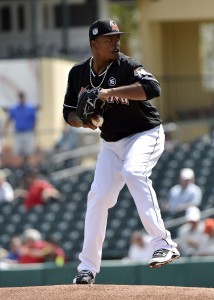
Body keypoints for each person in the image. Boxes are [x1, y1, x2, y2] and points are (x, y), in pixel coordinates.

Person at [63, 18, 180, 284]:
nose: (116, 42)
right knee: (98, 197)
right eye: (109, 38)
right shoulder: (78, 73)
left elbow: (153, 88)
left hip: (145, 134)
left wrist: (106, 93)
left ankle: (164, 243)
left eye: (118, 37)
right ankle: (87, 268)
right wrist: (83, 121)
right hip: (111, 142)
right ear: (94, 44)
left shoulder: (127, 66)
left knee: (134, 172)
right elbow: (68, 112)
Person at [4, 91, 38, 167]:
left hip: (28, 132)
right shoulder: (14, 108)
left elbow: (34, 119)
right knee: (17, 151)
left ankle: (28, 166)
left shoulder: (30, 107)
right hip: (18, 132)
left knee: (28, 151)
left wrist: (33, 129)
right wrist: (5, 129)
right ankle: (19, 167)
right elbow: (9, 119)